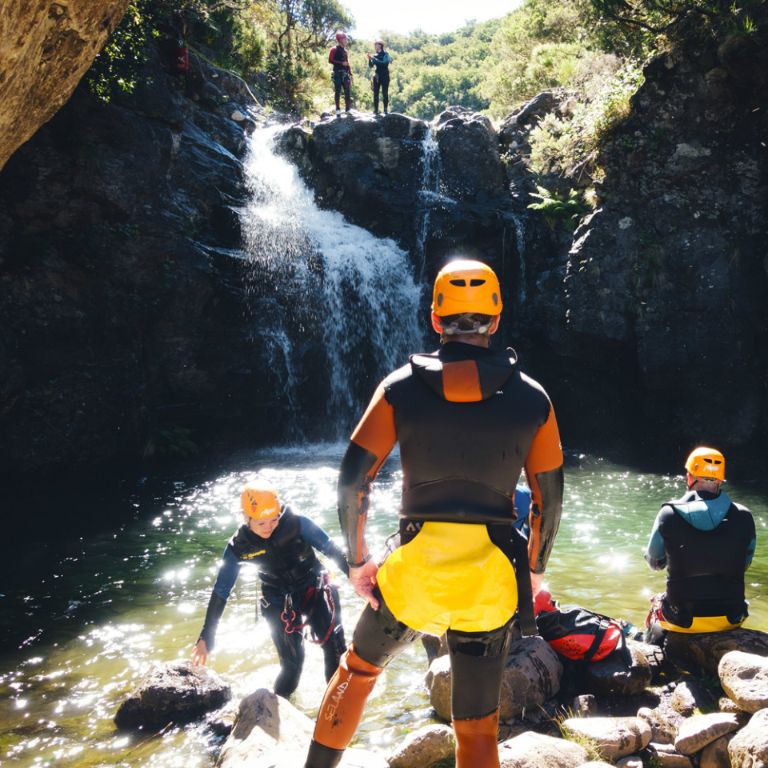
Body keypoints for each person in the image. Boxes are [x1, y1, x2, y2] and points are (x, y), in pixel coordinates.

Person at [304, 259, 564, 768]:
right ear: (496, 316)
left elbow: (354, 481)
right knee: (476, 727)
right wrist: (533, 571)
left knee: (356, 672)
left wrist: (358, 561)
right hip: (489, 583)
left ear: (435, 317)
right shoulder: (534, 399)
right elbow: (548, 501)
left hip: (413, 574)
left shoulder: (398, 388)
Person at [192, 481, 349, 697]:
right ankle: (275, 712)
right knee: (292, 667)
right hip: (277, 597)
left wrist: (361, 581)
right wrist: (206, 636)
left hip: (314, 586)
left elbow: (332, 550)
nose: (269, 527)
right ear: (246, 519)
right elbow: (221, 591)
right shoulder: (239, 546)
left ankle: (336, 707)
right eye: (261, 522)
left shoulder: (296, 524)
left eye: (274, 520)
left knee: (334, 649)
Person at [644, 446, 756, 642]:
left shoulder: (668, 513)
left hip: (682, 618)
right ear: (720, 480)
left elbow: (654, 563)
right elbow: (744, 564)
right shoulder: (745, 516)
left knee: (656, 603)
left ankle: (653, 652)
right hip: (732, 617)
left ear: (689, 477)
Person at [328, 31, 353, 116]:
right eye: (345, 38)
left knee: (347, 91)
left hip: (345, 73)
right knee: (338, 90)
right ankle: (338, 109)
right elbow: (330, 60)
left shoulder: (345, 51)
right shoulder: (334, 49)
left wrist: (351, 74)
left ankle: (348, 109)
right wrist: (341, 63)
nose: (346, 40)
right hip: (337, 73)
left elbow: (347, 63)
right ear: (340, 39)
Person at [366, 39, 392, 115]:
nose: (375, 46)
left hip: (385, 75)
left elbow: (384, 63)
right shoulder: (375, 55)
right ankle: (376, 110)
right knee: (375, 93)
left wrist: (373, 59)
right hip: (377, 76)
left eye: (376, 45)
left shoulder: (386, 54)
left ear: (380, 45)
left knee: (385, 93)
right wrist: (369, 60)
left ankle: (385, 110)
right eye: (375, 45)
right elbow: (371, 66)